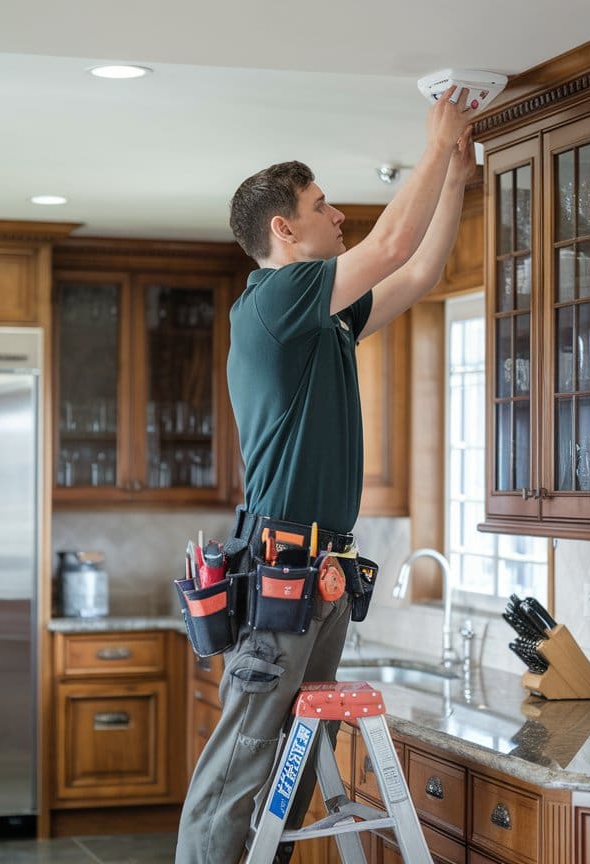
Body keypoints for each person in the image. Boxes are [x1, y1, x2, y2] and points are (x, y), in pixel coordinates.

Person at [175, 87, 477, 864]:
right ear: (284, 228)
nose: (338, 215)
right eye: (321, 205)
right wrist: (435, 142)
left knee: (290, 757)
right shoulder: (275, 300)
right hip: (281, 564)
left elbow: (414, 274)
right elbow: (388, 244)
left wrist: (454, 185)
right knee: (241, 757)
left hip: (325, 567)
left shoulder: (321, 323)